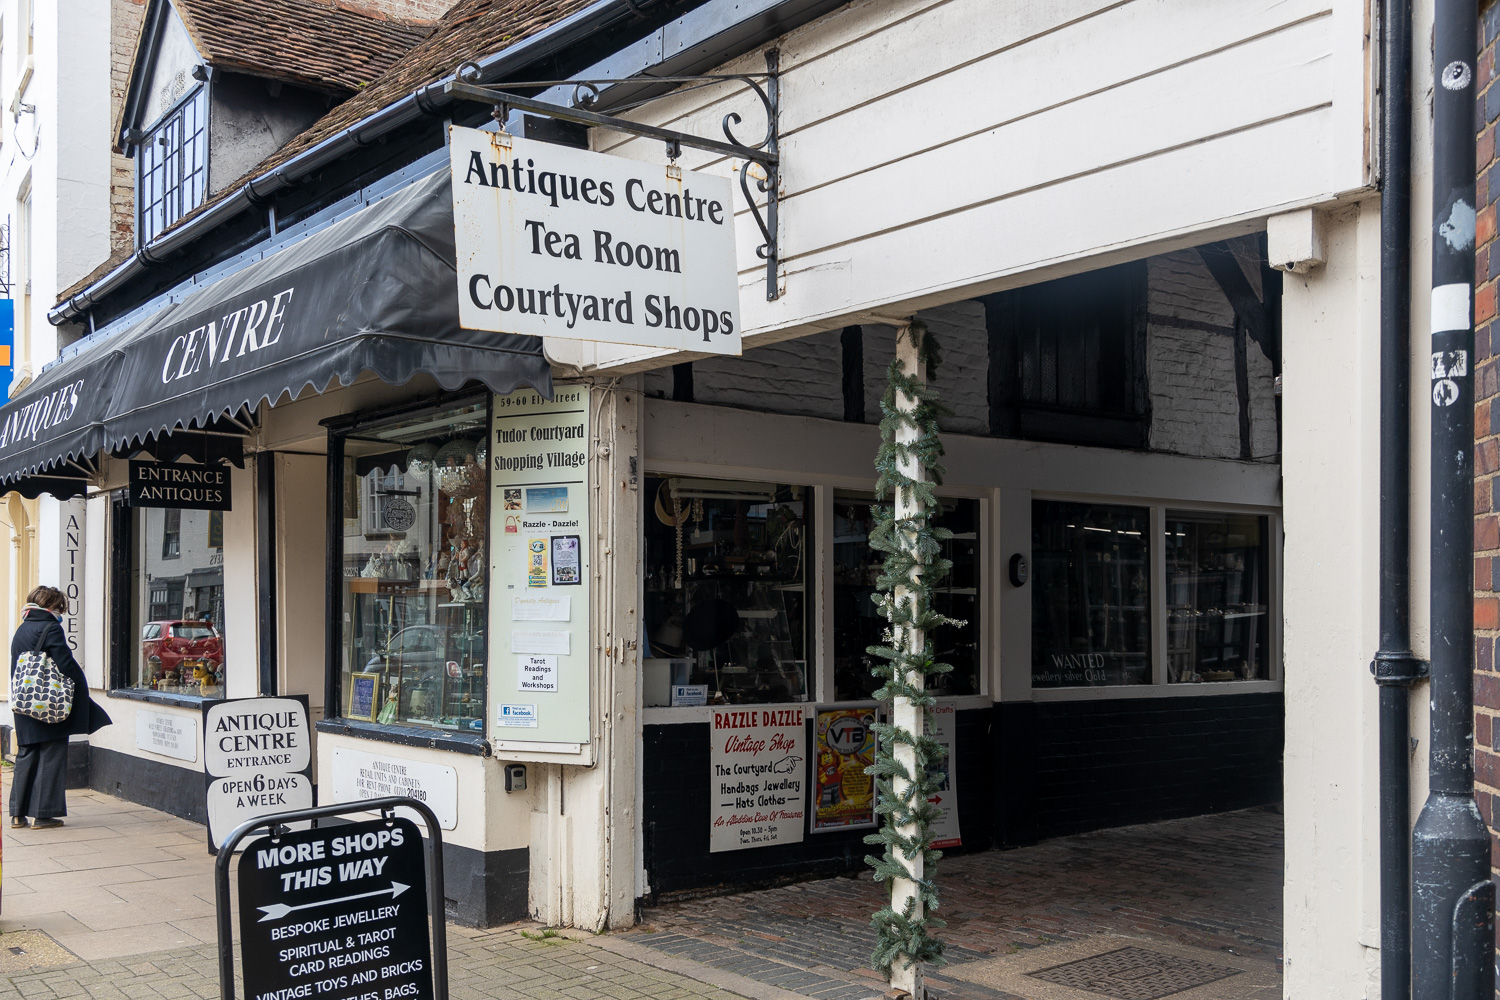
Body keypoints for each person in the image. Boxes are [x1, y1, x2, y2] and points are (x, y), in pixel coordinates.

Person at [10, 585, 110, 829]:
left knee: (26, 754)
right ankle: (43, 815)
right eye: (60, 608)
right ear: (52, 606)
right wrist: (80, 689)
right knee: (51, 754)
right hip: (49, 702)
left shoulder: (22, 627)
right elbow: (65, 664)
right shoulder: (51, 627)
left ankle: (17, 815)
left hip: (24, 700)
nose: (61, 613)